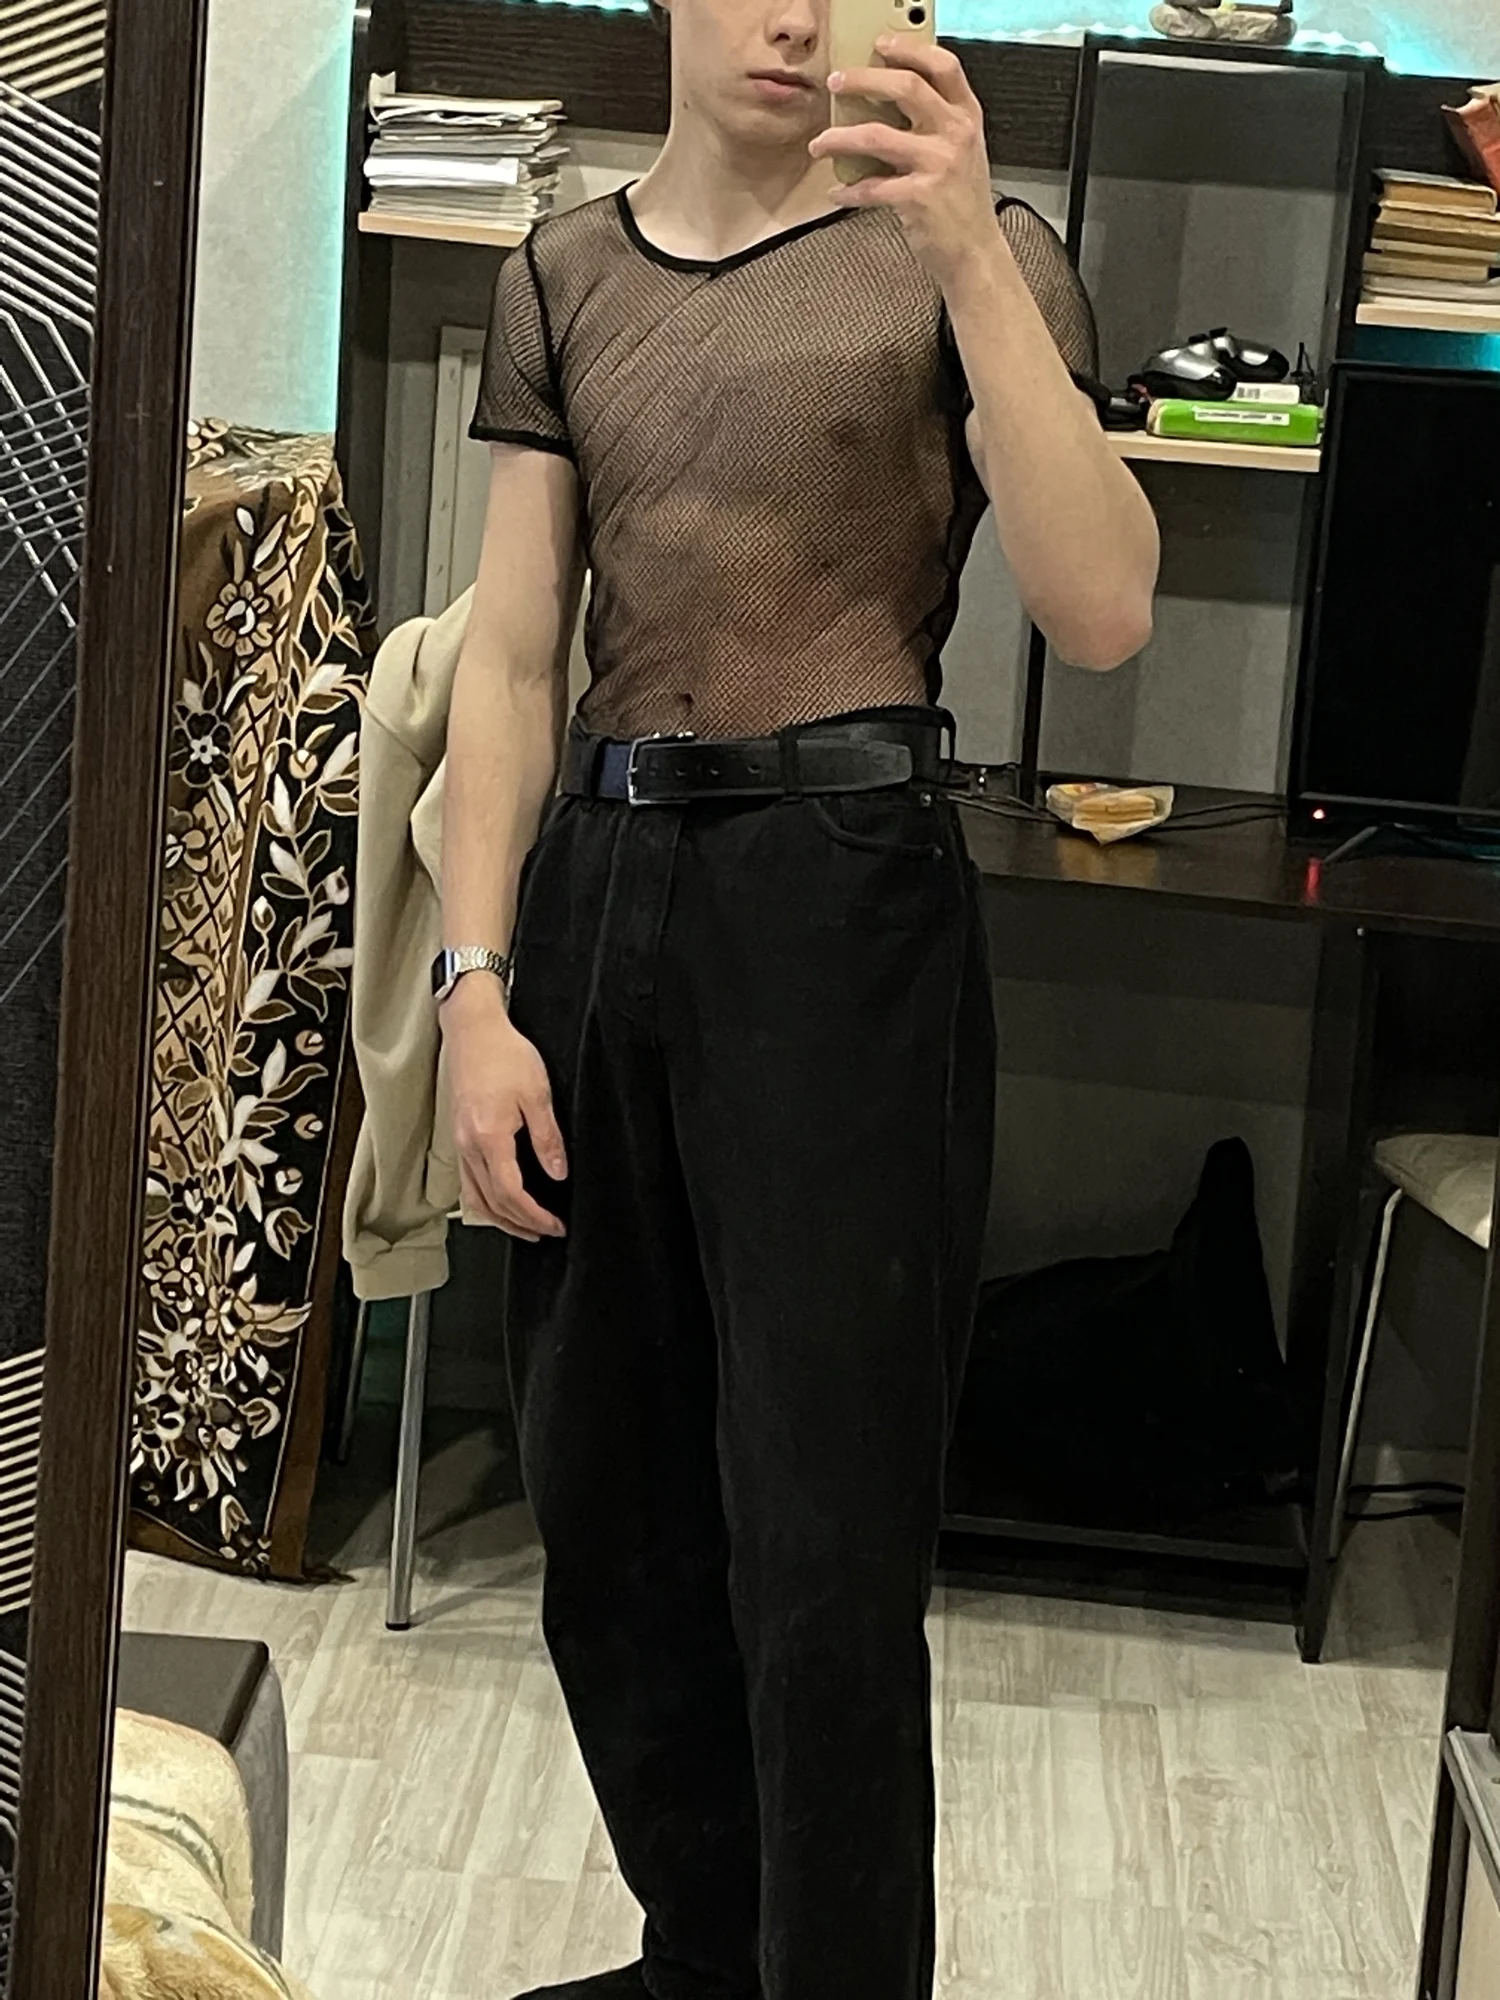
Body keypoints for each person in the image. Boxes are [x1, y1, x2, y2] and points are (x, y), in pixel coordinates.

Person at [438, 0, 1159, 1989]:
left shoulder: (972, 253)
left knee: (825, 1548)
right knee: (606, 1514)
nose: (788, 17)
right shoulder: (561, 273)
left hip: (840, 898)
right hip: (597, 894)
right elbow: (511, 656)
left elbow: (1104, 608)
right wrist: (474, 987)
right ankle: (708, 1956)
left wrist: (967, 259)